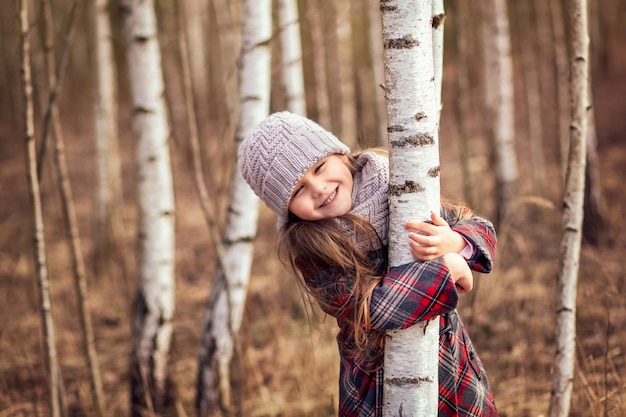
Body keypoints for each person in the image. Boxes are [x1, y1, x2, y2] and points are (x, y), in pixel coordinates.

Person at [238, 111, 499, 417]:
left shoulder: (399, 187)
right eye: (298, 190)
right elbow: (374, 309)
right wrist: (448, 269)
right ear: (288, 210)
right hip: (375, 386)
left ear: (339, 153)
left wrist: (455, 242)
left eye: (320, 167)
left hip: (448, 363)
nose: (319, 188)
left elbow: (480, 227)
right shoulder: (314, 251)